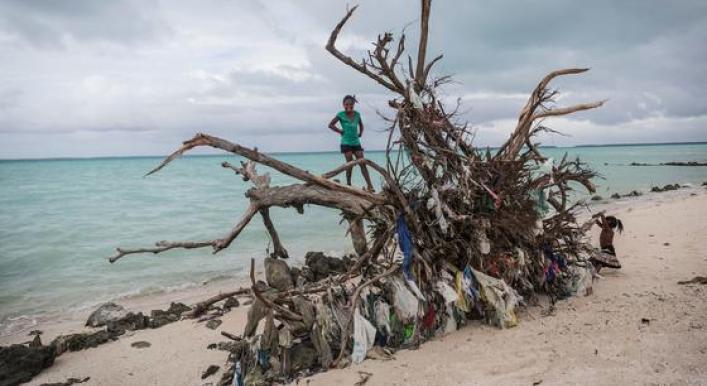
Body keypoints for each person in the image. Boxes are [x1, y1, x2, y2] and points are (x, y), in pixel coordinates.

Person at [328, 95, 374, 191]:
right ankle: (348, 184)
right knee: (350, 163)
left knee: (362, 162)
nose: (348, 106)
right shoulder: (340, 114)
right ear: (343, 104)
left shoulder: (357, 114)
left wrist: (360, 133)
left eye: (350, 104)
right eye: (346, 104)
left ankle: (370, 185)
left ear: (353, 104)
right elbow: (330, 125)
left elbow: (361, 125)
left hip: (356, 142)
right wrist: (340, 131)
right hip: (346, 143)